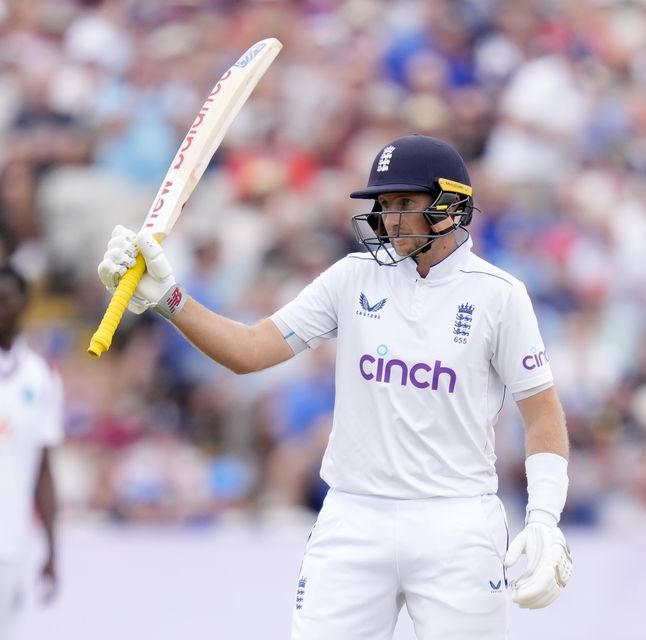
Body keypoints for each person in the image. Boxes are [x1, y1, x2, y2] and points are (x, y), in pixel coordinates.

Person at [98, 134, 572, 639]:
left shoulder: (499, 296)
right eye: (384, 205)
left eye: (405, 203)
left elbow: (542, 414)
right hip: (353, 517)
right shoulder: (351, 278)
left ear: (451, 204)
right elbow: (251, 350)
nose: (390, 219)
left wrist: (544, 517)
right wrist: (170, 299)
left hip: (455, 523)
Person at [0, 264, 62, 640]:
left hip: (10, 543)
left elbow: (44, 469)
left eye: (6, 300)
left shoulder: (39, 377)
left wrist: (53, 549)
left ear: (23, 304)